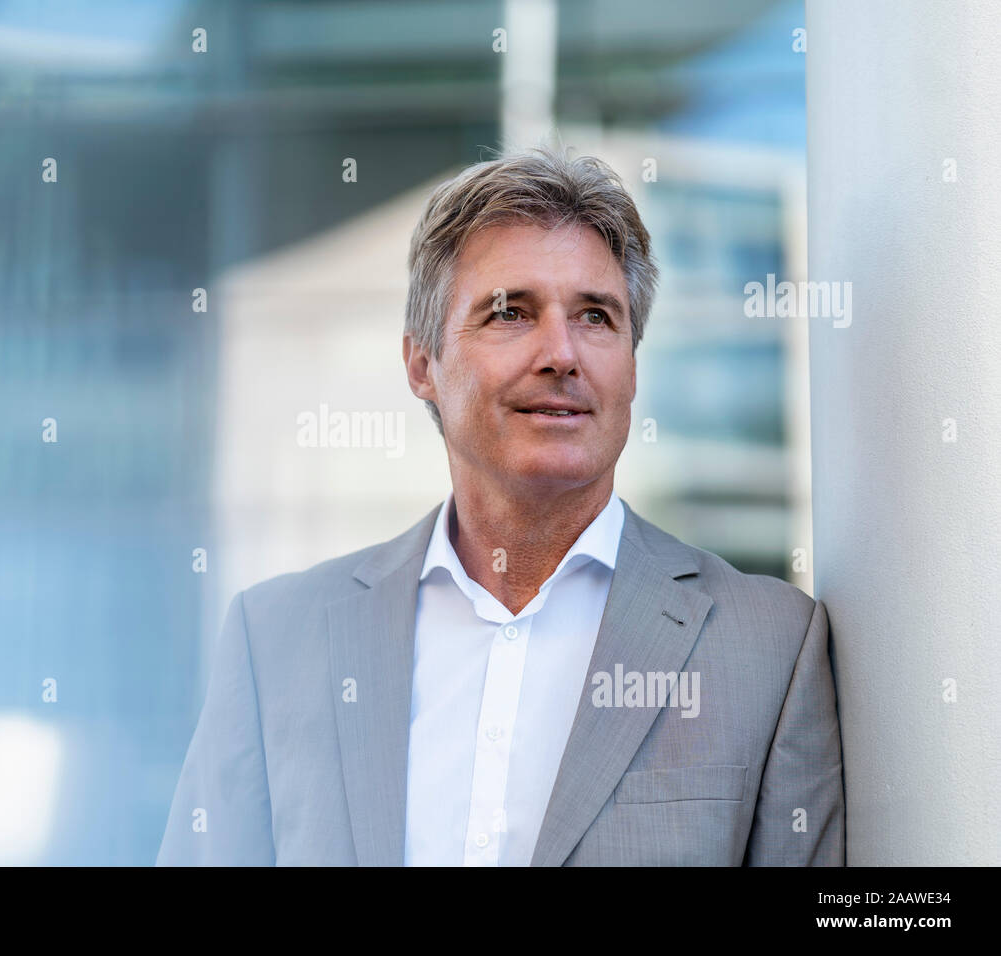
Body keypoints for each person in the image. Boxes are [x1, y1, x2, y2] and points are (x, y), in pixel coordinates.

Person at [156, 146, 844, 866]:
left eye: (597, 317)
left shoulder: (769, 651)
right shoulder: (277, 644)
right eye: (510, 312)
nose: (561, 353)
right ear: (422, 364)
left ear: (633, 368)